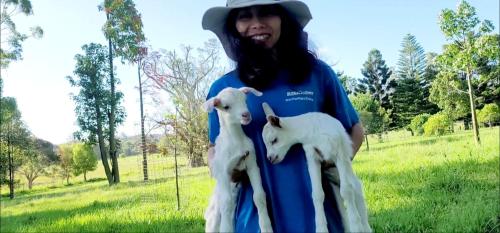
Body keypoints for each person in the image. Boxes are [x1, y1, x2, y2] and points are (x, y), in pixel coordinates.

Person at [202, 0, 364, 232]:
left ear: (283, 20)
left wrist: (332, 160)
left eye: (267, 12)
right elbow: (213, 146)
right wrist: (223, 169)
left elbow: (354, 129)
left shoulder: (318, 75)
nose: (257, 24)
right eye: (244, 16)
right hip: (253, 223)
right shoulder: (224, 88)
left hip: (322, 220)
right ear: (233, 26)